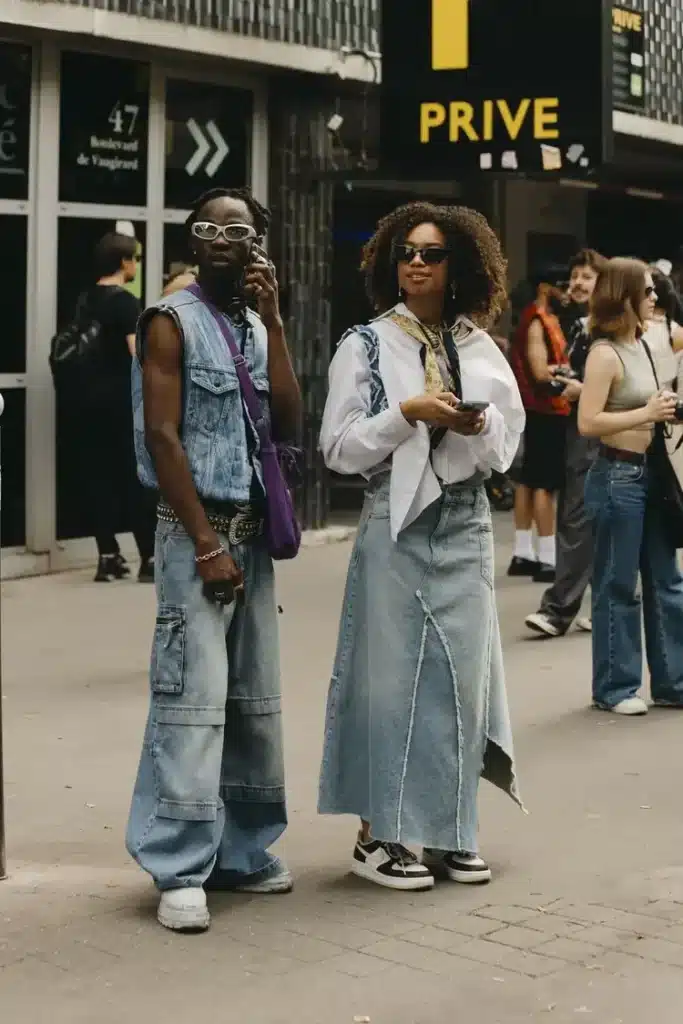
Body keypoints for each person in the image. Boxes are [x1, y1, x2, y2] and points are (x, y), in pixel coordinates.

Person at [318, 202, 525, 892]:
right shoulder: (366, 344)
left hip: (464, 522)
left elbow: (504, 450)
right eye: (406, 251)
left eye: (431, 254)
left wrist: (476, 420)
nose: (415, 262)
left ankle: (449, 831)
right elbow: (338, 450)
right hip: (395, 522)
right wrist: (405, 414)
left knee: (461, 682)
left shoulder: (478, 346)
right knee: (391, 682)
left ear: (457, 266)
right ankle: (378, 836)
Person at [126, 187, 302, 932]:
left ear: (260, 243)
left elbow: (291, 420)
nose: (222, 240)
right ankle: (178, 866)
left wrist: (277, 322)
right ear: (192, 245)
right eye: (208, 229)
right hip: (193, 532)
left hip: (253, 533)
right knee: (191, 702)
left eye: (239, 229)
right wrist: (203, 543)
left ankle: (244, 851)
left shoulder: (256, 326)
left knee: (252, 704)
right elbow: (162, 439)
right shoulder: (170, 321)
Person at [579, 258, 683, 715]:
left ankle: (673, 681)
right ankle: (616, 687)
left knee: (667, 580)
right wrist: (647, 413)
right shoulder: (604, 353)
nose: (656, 296)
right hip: (617, 476)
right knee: (618, 584)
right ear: (625, 296)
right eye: (648, 290)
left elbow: (651, 404)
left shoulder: (642, 344)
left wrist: (669, 408)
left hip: (651, 473)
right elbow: (589, 422)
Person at [525, 249, 606, 637]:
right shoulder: (582, 326)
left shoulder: (607, 329)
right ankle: (604, 603)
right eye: (574, 276)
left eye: (585, 277)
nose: (575, 283)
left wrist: (579, 386)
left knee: (576, 518)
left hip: (594, 434)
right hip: (582, 430)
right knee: (595, 520)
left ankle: (558, 610)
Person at [81, 232, 156, 583]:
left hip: (88, 400)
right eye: (135, 259)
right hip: (121, 402)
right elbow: (136, 354)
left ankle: (107, 556)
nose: (136, 265)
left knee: (99, 477)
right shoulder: (125, 303)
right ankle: (149, 557)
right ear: (124, 262)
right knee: (135, 476)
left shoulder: (84, 301)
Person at [508, 266, 576, 582]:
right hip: (546, 409)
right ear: (546, 287)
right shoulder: (536, 319)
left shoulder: (536, 317)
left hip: (537, 410)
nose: (568, 290)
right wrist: (564, 373)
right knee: (545, 484)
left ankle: (523, 552)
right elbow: (539, 372)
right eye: (563, 284)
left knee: (529, 479)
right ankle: (548, 557)